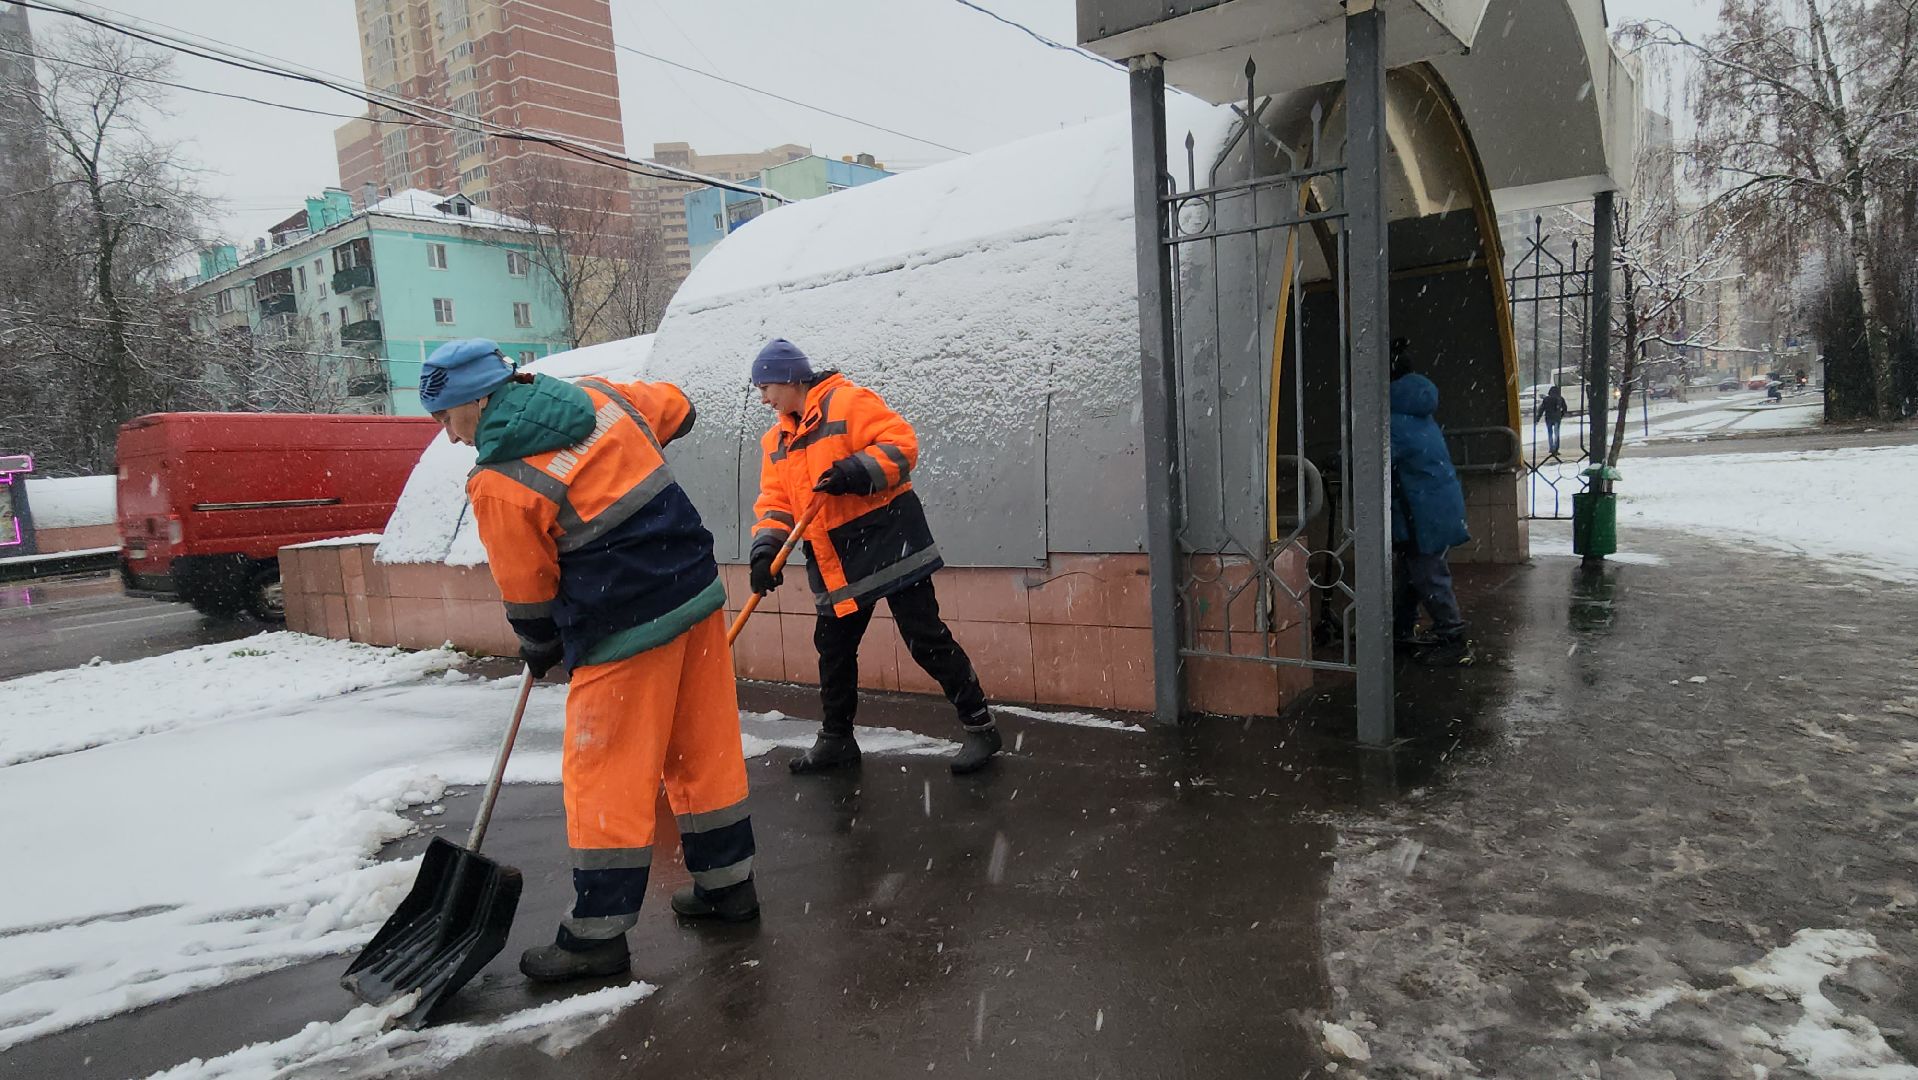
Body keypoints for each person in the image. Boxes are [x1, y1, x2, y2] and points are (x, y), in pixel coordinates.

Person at [419, 338, 759, 984]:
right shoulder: (604, 398)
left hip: (620, 629)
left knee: (605, 773)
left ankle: (597, 935)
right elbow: (679, 409)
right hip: (693, 594)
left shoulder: (501, 479)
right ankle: (728, 888)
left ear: (481, 400)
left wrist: (537, 639)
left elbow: (527, 585)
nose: (450, 437)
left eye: (447, 417)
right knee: (703, 748)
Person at [746, 338, 1000, 775]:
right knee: (833, 648)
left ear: (789, 378)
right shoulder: (777, 441)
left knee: (925, 638)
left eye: (765, 387)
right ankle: (836, 740)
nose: (764, 398)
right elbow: (775, 502)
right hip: (835, 559)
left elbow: (902, 446)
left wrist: (854, 472)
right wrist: (764, 550)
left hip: (889, 542)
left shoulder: (848, 402)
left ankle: (981, 727)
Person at [1389, 356, 1474, 667]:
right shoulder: (1419, 414)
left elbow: (1373, 458)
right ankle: (1399, 629)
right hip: (1436, 506)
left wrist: (1338, 459)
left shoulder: (1394, 421)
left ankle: (1452, 637)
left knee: (1428, 575)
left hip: (1420, 513)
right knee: (1413, 574)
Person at [1534, 384, 1569, 460]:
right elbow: (1565, 409)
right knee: (1557, 434)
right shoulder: (1560, 399)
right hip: (1557, 418)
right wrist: (1561, 415)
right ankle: (1556, 449)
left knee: (1550, 433)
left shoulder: (1546, 399)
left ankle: (1551, 448)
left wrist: (1537, 419)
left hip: (1548, 418)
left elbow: (1541, 410)